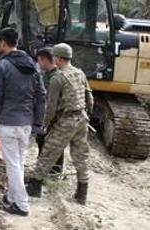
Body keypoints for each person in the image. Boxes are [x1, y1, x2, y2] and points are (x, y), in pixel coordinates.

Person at [27, 43, 94, 205]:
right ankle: (81, 193)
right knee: (81, 157)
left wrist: (45, 124)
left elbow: (51, 107)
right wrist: (87, 114)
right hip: (82, 119)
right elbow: (89, 98)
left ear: (57, 58)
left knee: (48, 152)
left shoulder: (57, 78)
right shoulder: (80, 73)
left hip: (66, 121)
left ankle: (35, 186)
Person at [0, 27, 46, 216]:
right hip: (26, 124)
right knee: (19, 162)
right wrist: (37, 121)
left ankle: (22, 204)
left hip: (8, 122)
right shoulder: (32, 64)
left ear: (4, 43)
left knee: (12, 164)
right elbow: (41, 95)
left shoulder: (2, 66)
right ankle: (11, 199)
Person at [34, 47, 64, 175]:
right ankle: (45, 169)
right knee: (42, 141)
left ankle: (53, 171)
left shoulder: (55, 77)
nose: (39, 64)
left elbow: (52, 101)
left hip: (53, 117)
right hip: (47, 115)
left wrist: (46, 121)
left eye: (39, 61)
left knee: (53, 144)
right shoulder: (47, 75)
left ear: (45, 60)